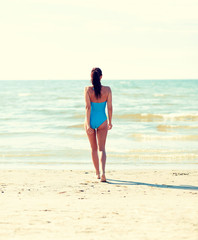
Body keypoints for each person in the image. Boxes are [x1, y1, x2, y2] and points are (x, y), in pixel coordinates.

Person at [84, 68, 113, 182]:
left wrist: (87, 124)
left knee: (93, 149)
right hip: (102, 120)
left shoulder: (87, 90)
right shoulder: (108, 90)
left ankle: (97, 173)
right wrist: (110, 121)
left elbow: (88, 107)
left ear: (91, 78)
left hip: (90, 120)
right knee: (102, 149)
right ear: (101, 77)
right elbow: (110, 107)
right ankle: (103, 173)